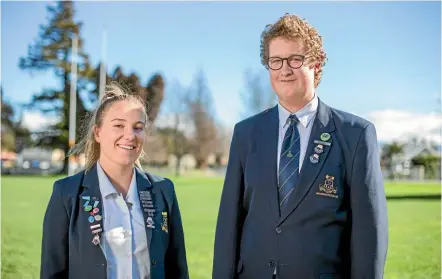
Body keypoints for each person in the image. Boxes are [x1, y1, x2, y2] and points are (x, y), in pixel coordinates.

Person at [212, 13, 388, 279]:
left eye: (295, 59)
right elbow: (229, 223)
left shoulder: (356, 134)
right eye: (276, 61)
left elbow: (369, 233)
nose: (285, 69)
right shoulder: (246, 133)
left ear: (316, 65)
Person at [40, 81, 189, 279]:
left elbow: (177, 268)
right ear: (98, 133)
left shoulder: (163, 190)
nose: (130, 135)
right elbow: (53, 271)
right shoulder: (66, 193)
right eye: (119, 125)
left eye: (138, 127)